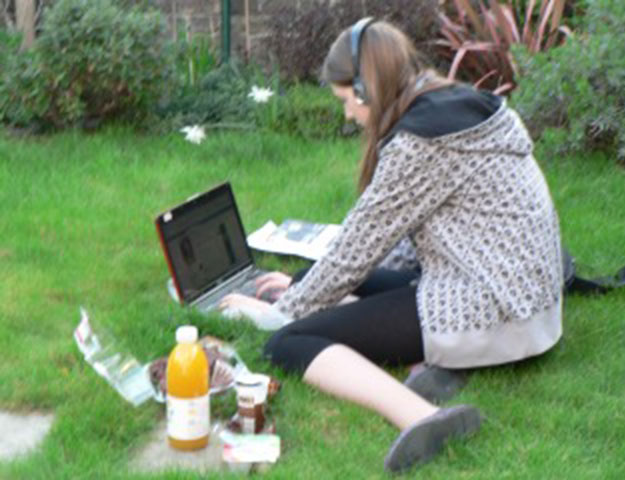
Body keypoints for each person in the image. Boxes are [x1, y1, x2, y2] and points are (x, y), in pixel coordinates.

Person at [219, 18, 563, 473]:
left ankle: (424, 417)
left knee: (288, 342)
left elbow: (357, 251)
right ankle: (440, 367)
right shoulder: (453, 105)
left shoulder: (420, 143)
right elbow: (399, 241)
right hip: (522, 299)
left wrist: (278, 313)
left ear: (365, 89)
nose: (347, 115)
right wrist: (303, 289)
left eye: (346, 101)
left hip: (490, 308)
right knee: (309, 283)